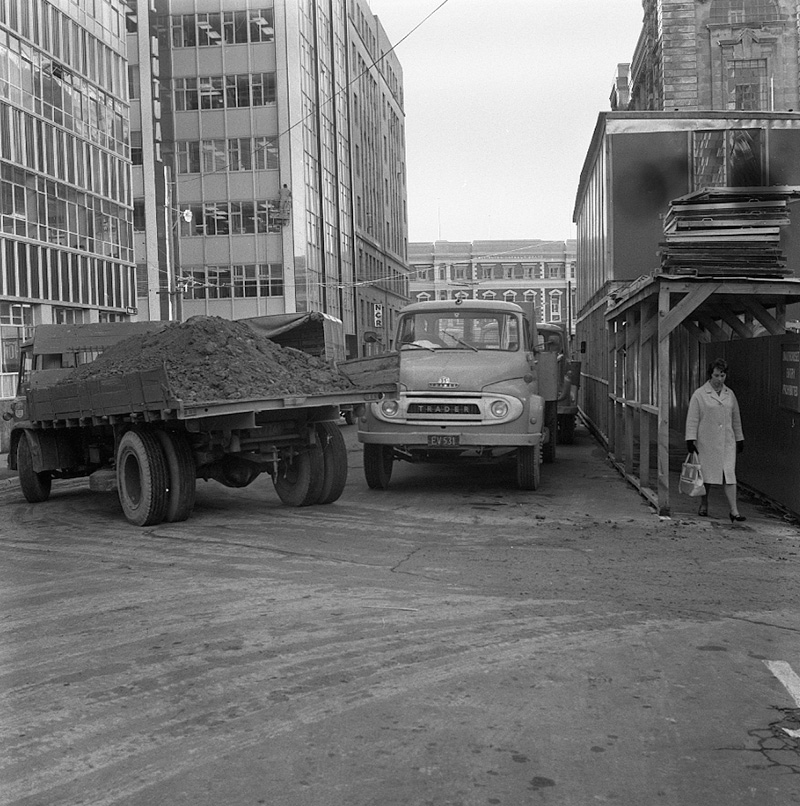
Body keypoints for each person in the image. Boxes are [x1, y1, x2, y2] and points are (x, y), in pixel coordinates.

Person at [685, 358, 745, 522]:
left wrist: (739, 438)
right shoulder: (700, 394)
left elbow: (735, 418)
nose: (720, 379)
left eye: (723, 375)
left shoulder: (729, 394)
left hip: (727, 442)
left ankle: (734, 511)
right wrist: (690, 439)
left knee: (729, 475)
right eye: (717, 375)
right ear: (710, 375)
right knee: (707, 476)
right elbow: (693, 419)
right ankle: (704, 504)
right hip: (707, 441)